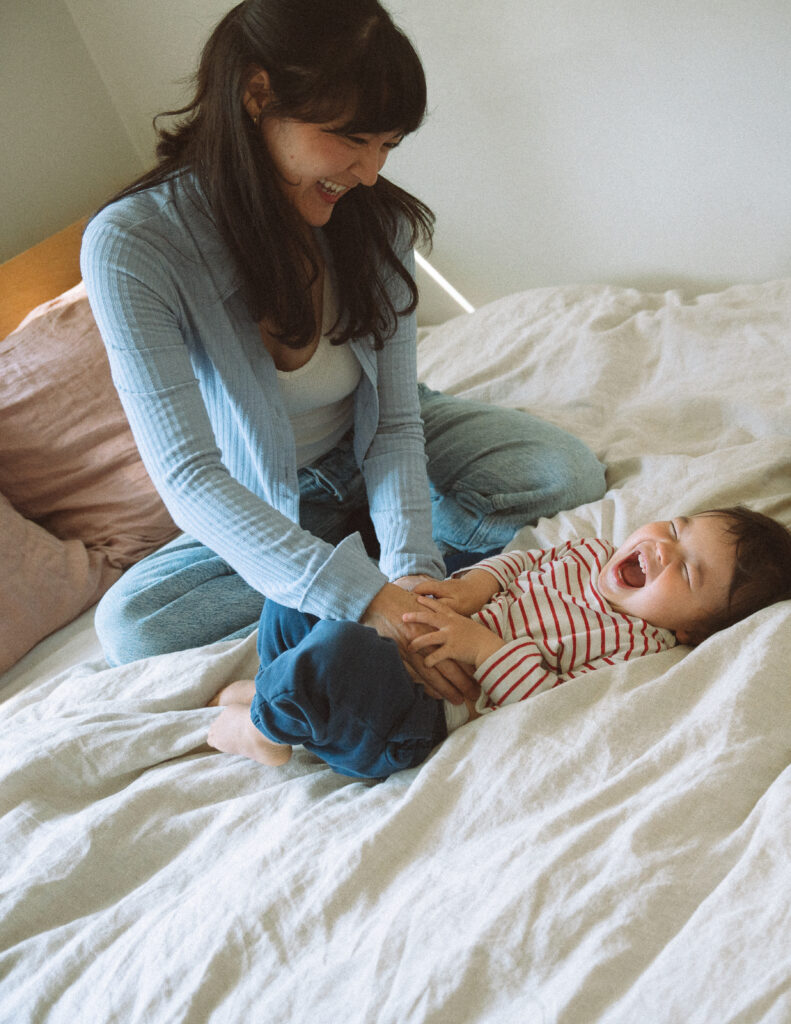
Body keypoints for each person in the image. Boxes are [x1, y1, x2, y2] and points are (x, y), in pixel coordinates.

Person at [81, 0, 605, 697]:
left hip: (377, 443)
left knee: (562, 472)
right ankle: (341, 553)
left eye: (387, 144)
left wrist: (414, 576)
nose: (366, 171)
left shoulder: (374, 221)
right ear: (257, 94)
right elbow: (190, 478)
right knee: (136, 627)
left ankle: (360, 546)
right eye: (352, 138)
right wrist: (367, 600)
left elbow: (392, 424)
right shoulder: (135, 246)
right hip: (270, 492)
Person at [207, 506, 791, 778]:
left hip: (413, 707)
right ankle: (286, 691)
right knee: (303, 589)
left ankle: (262, 729)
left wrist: (480, 646)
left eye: (686, 572)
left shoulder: (639, 646)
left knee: (342, 652)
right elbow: (517, 567)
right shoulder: (590, 552)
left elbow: (550, 700)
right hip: (397, 632)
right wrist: (470, 588)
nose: (663, 548)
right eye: (675, 528)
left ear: (691, 630)